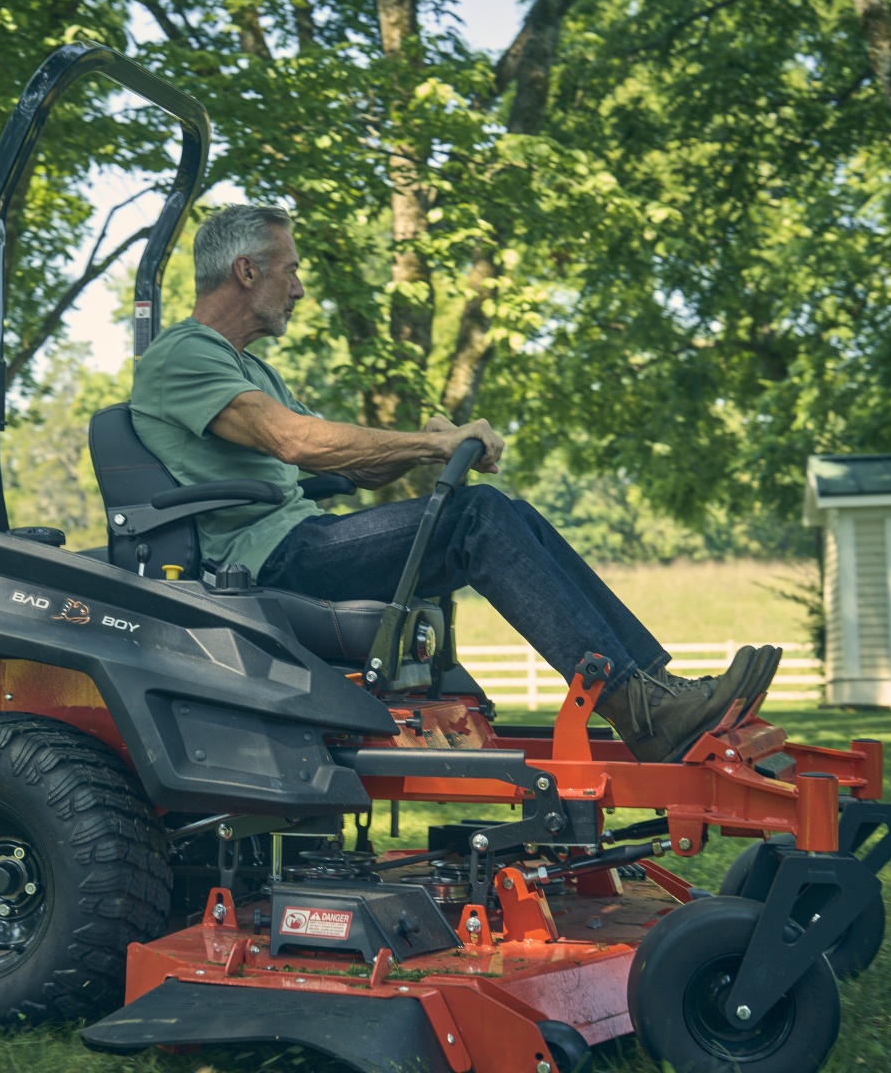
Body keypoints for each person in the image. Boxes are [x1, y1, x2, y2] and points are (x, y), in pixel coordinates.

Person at [129, 204, 778, 763]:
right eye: (291, 269)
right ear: (247, 271)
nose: (298, 288)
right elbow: (297, 442)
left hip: (296, 540)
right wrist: (434, 445)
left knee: (503, 515)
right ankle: (638, 708)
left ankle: (656, 689)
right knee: (477, 518)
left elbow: (349, 462)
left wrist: (427, 443)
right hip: (261, 562)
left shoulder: (248, 369)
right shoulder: (184, 354)